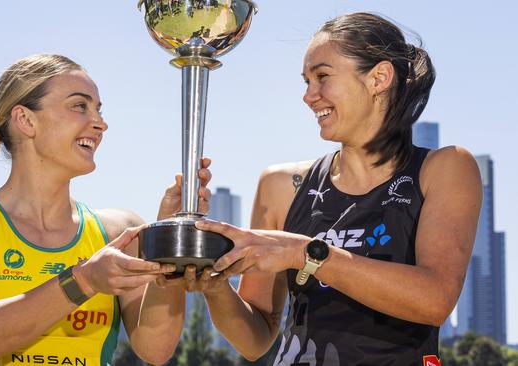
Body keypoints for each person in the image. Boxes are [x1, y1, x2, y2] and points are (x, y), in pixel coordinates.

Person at [179, 12, 482, 366]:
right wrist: (216, 287)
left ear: (379, 78)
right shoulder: (281, 186)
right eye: (306, 81)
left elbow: (435, 300)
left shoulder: (444, 168)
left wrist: (305, 253)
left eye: (322, 76)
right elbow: (256, 339)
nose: (309, 96)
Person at [0, 54, 209, 366]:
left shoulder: (117, 231)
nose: (100, 123)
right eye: (80, 106)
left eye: (98, 109)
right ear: (26, 120)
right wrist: (83, 281)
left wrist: (169, 239)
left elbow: (155, 348)